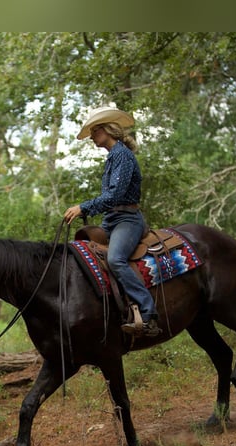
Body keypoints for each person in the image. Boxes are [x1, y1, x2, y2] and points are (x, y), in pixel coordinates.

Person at [64, 106, 160, 338]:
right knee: (83, 251)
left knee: (116, 259)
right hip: (112, 220)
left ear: (107, 131)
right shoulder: (112, 158)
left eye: (94, 132)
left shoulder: (122, 155)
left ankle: (149, 314)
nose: (92, 138)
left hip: (128, 219)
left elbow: (115, 196)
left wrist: (83, 207)